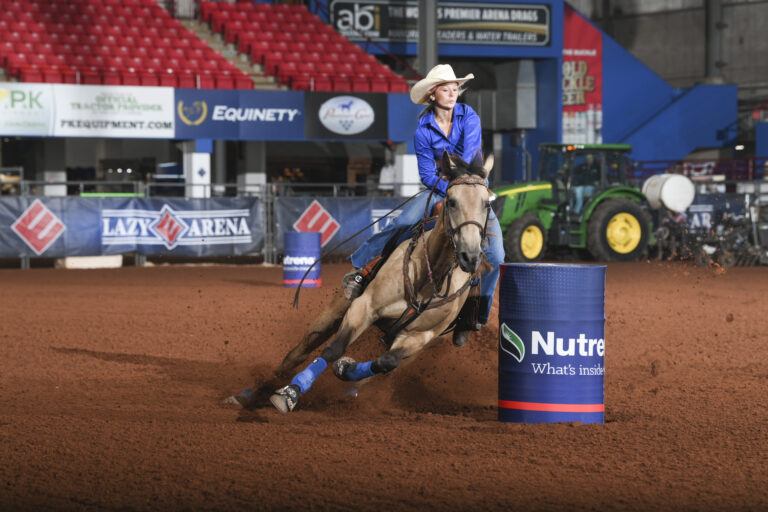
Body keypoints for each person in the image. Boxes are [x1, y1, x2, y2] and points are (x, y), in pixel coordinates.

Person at [344, 64, 505, 346]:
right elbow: (427, 175)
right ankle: (363, 269)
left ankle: (475, 312)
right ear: (433, 94)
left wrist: (457, 188)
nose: (453, 93)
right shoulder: (423, 130)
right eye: (446, 89)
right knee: (404, 222)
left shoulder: (470, 118)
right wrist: (447, 189)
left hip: (469, 191)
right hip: (442, 189)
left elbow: (467, 162)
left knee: (496, 255)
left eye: (455, 88)